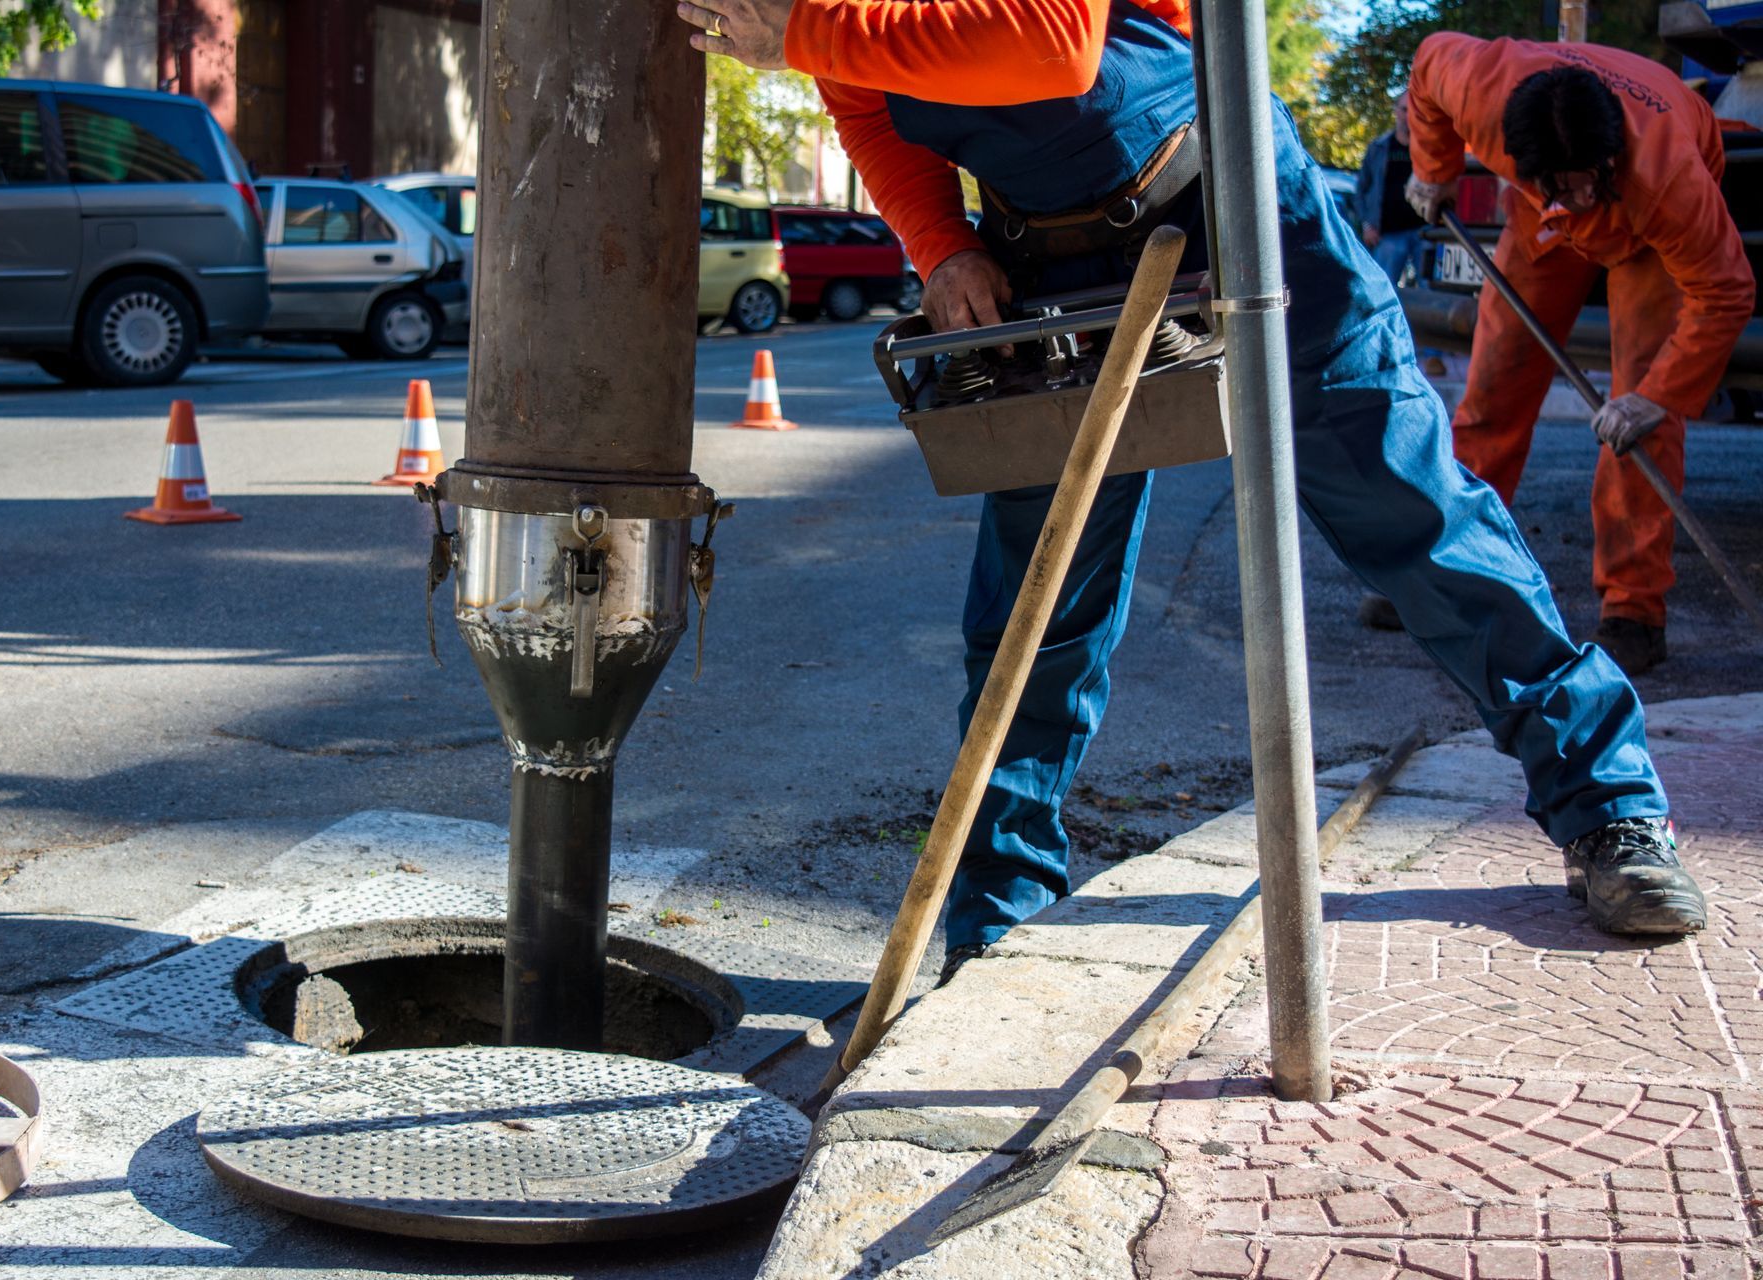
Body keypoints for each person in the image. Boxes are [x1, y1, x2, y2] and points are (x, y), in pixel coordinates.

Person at [676, 0, 1709, 968]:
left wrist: (810, 26)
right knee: (1036, 608)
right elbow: (864, 98)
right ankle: (1000, 907)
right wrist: (941, 244)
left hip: (1239, 207)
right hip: (1057, 261)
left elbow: (1051, 43)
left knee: (1419, 519)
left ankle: (1608, 800)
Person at [1403, 34, 1755, 675]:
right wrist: (1435, 171)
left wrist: (1655, 396)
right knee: (1491, 394)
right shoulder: (1482, 87)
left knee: (1638, 427)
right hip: (1540, 226)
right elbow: (1427, 65)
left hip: (1645, 239)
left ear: (1611, 157)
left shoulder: (1671, 179)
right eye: (1564, 185)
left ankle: (1634, 613)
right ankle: (1447, 575)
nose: (1582, 199)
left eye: (1589, 183)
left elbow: (1726, 291)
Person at [1356, 93, 1427, 287]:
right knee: (1383, 291)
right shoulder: (1379, 148)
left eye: (1415, 111)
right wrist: (1367, 225)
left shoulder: (1430, 149)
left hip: (1425, 232)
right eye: (1405, 109)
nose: (1409, 115)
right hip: (1388, 234)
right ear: (1396, 111)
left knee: (1432, 294)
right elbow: (1362, 190)